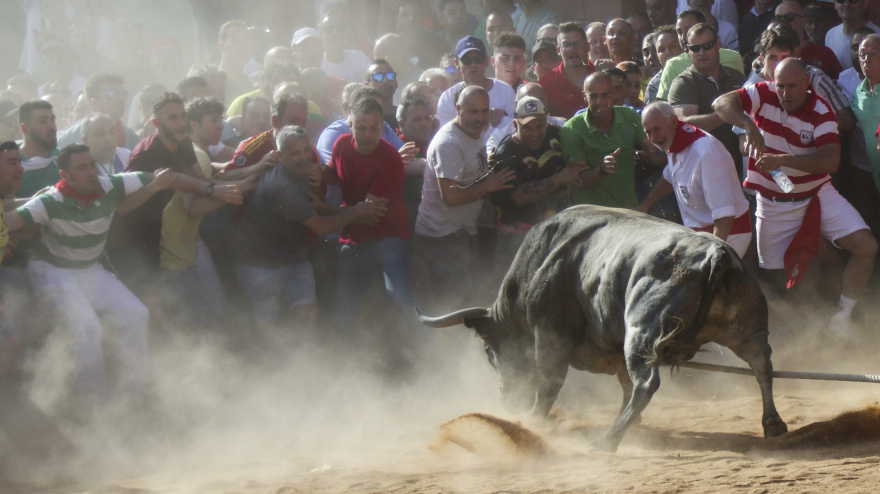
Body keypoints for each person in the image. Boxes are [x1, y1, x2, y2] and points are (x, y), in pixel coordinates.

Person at [4, 144, 179, 405]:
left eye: (92, 165)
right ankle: (92, 403)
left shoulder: (110, 185)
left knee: (136, 313)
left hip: (88, 269)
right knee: (87, 329)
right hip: (52, 271)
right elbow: (8, 222)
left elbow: (162, 177)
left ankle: (136, 391)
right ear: (65, 174)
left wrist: (210, 186)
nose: (91, 173)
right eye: (82, 168)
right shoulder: (50, 201)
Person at [712, 58, 878, 334]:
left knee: (866, 246)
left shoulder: (821, 110)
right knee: (775, 276)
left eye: (792, 86)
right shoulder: (763, 92)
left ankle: (841, 318)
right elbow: (720, 104)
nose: (786, 93)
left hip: (817, 194)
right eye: (781, 86)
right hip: (773, 201)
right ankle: (784, 330)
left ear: (807, 84)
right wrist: (748, 124)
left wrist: (781, 161)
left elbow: (831, 161)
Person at [233, 125, 384, 330]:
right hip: (260, 262)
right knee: (267, 322)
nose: (304, 157)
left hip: (294, 256)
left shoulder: (303, 172)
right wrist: (356, 212)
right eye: (295, 153)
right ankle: (269, 360)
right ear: (279, 155)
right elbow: (320, 226)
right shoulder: (281, 187)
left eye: (306, 150)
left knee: (308, 313)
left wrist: (336, 202)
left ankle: (306, 356)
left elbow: (315, 207)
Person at [108, 93, 243, 299]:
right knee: (152, 305)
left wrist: (245, 182)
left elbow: (201, 183)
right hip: (130, 240)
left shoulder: (184, 144)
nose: (181, 123)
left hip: (155, 234)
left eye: (182, 116)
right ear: (156, 123)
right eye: (173, 118)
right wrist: (153, 187)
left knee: (167, 304)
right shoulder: (145, 155)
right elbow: (123, 207)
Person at [414, 86, 515, 310]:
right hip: (441, 237)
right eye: (473, 112)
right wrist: (490, 184)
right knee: (454, 301)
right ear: (458, 109)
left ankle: (460, 341)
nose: (480, 118)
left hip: (461, 231)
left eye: (484, 111)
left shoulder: (473, 133)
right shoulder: (449, 143)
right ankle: (447, 344)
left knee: (467, 296)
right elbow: (451, 196)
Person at [319, 98, 415, 331]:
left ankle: (430, 349)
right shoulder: (341, 144)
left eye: (375, 128)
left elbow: (368, 213)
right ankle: (344, 355)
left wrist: (323, 209)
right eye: (361, 127)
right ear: (350, 122)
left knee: (399, 296)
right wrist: (318, 172)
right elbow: (334, 173)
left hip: (388, 235)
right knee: (345, 303)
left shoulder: (390, 158)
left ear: (383, 126)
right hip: (354, 236)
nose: (369, 135)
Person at [636, 102, 751, 257]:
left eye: (657, 129)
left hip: (728, 234)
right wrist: (645, 205)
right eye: (648, 132)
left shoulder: (705, 153)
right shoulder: (674, 139)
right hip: (702, 234)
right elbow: (670, 177)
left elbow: (724, 212)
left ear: (674, 122)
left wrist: (714, 255)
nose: (653, 138)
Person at [489, 96, 583, 264]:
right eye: (527, 128)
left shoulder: (555, 134)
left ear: (546, 120)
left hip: (556, 230)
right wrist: (560, 179)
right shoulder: (506, 153)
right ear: (515, 125)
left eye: (539, 126)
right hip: (518, 236)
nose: (534, 133)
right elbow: (519, 196)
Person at [560, 72, 666, 208]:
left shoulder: (630, 116)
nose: (600, 101)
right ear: (584, 97)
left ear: (613, 94)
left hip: (628, 209)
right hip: (591, 215)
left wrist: (678, 152)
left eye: (605, 95)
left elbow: (656, 155)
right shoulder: (572, 128)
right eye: (593, 96)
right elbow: (579, 181)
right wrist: (601, 170)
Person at [668, 23, 746, 175]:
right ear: (688, 50)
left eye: (707, 46)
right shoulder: (683, 83)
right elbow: (684, 124)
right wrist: (728, 114)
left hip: (742, 166)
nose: (702, 52)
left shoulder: (737, 77)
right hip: (704, 170)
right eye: (695, 48)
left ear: (718, 44)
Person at [655, 10, 744, 101]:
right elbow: (663, 105)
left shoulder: (733, 57)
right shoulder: (672, 65)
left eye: (688, 29)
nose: (683, 37)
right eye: (679, 32)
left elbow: (744, 95)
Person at [435, 36, 515, 127]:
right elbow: (448, 135)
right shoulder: (447, 98)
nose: (473, 65)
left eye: (478, 59)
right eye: (467, 60)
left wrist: (505, 116)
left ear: (486, 61)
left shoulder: (506, 91)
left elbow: (515, 129)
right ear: (457, 63)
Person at [57, 73, 139, 150]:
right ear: (93, 103)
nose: (120, 99)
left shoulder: (130, 137)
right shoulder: (74, 136)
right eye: (112, 94)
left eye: (122, 94)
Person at [538, 22, 594, 119]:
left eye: (578, 44)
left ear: (587, 47)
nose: (572, 49)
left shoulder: (601, 74)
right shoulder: (546, 83)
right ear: (558, 50)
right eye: (566, 45)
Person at [774, 1, 842, 79]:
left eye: (789, 18)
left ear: (804, 21)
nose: (783, 22)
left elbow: (841, 83)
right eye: (778, 18)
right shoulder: (770, 54)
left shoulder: (824, 53)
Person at [396, 97, 434, 231]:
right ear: (401, 124)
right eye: (417, 119)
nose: (424, 124)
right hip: (409, 233)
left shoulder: (433, 146)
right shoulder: (398, 151)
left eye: (427, 118)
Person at [17, 100, 60, 198]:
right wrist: (35, 202)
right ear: (25, 128)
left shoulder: (63, 157)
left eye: (52, 120)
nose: (52, 126)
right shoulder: (7, 164)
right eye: (43, 122)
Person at [825, 0, 878, 71]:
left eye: (853, 1)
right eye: (841, 1)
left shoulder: (877, 35)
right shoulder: (830, 35)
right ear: (835, 3)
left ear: (865, 4)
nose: (846, 4)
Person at [320, 14, 371, 84]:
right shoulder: (318, 64)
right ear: (321, 34)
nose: (335, 33)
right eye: (329, 29)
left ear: (345, 33)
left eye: (339, 29)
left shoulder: (359, 58)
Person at [645, 25, 684, 105]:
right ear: (657, 55)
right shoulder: (654, 86)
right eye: (662, 49)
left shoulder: (697, 70)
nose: (667, 52)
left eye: (673, 47)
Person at [365, 60, 400, 130]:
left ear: (396, 83)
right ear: (367, 86)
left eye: (390, 76)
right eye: (378, 77)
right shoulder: (361, 120)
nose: (385, 81)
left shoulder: (404, 118)